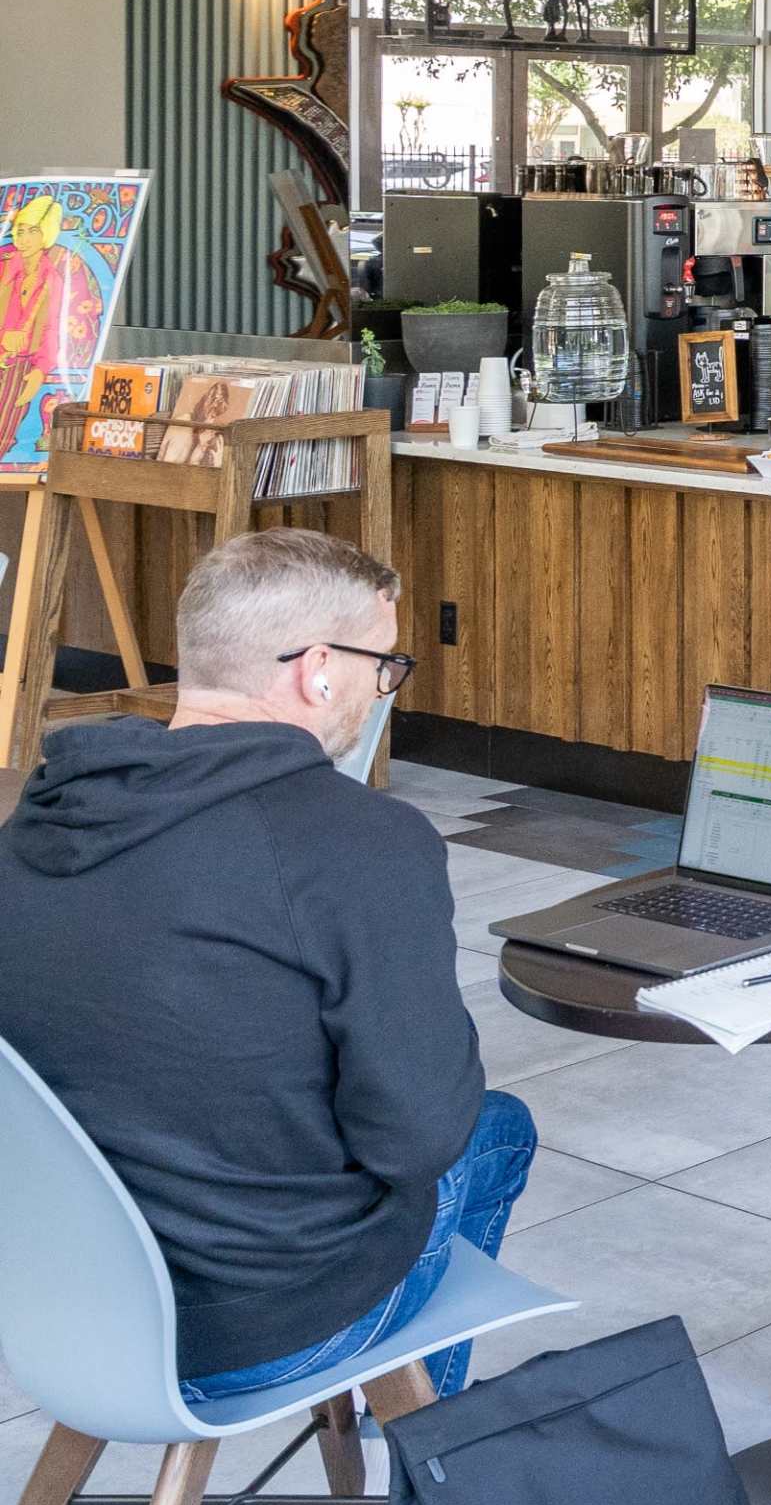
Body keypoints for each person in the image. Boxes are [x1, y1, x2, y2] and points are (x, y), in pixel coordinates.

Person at [0, 529, 537, 1401]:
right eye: (384, 665)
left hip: (60, 1310)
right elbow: (415, 1136)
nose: (383, 689)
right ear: (319, 669)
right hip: (256, 1326)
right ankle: (420, 1447)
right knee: (497, 1127)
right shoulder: (360, 844)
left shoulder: (39, 819)